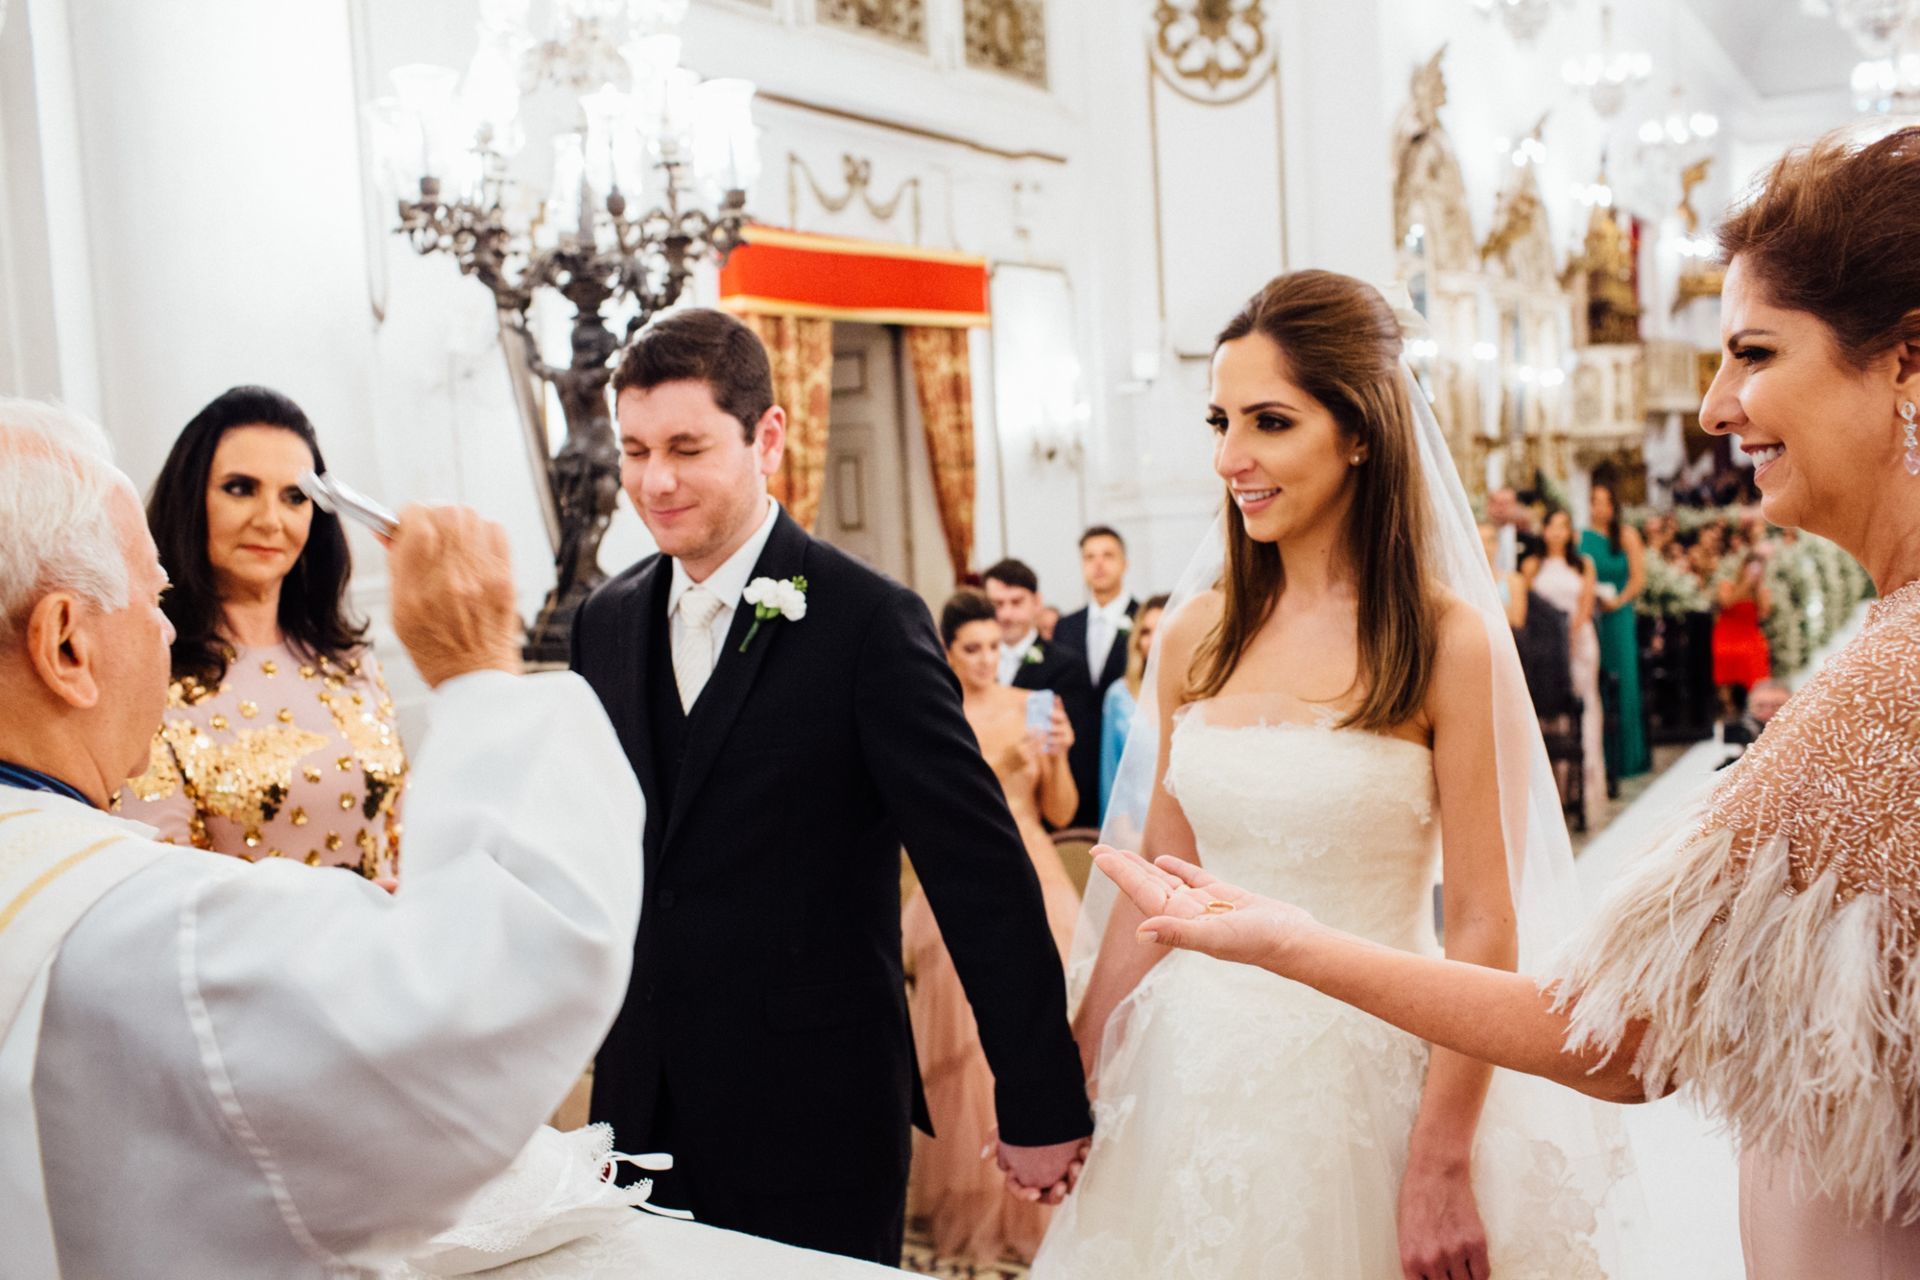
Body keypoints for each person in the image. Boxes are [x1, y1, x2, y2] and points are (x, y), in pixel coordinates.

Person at [1091, 125, 1920, 1278]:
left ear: (1906, 362)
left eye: (1755, 352)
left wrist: (1294, 942)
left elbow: (1625, 1034)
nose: (1717, 405)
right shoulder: (1891, 645)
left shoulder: (1892, 685)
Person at [1034, 271, 1618, 1279]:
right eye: (1222, 420)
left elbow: (1483, 917)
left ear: (1359, 433)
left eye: (1270, 420)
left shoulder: (1445, 640)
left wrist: (1438, 1156)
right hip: (1192, 1073)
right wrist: (1070, 1063)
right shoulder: (1195, 634)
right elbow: (1157, 874)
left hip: (1373, 1066)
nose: (1231, 457)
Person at [0, 397, 642, 1277]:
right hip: (300, 1016)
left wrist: (393, 910)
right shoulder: (140, 925)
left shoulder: (342, 661)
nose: (164, 621)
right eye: (153, 598)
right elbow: (499, 982)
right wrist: (481, 668)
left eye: (294, 494)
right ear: (66, 645)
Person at [569, 308, 1092, 1264]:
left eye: (688, 446)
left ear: (767, 436)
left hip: (816, 1106)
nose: (656, 480)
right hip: (640, 1102)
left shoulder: (868, 625)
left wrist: (1040, 1098)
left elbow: (977, 871)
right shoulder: (605, 623)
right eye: (637, 449)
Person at [117, 387, 405, 877]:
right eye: (240, 488)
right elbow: (164, 891)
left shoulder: (349, 658)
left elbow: (396, 832)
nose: (271, 520)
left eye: (294, 497)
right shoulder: (148, 673)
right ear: (191, 499)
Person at [903, 589, 1082, 1267]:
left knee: (1039, 1024)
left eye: (992, 648)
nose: (984, 660)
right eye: (970, 649)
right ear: (948, 652)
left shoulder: (1035, 706)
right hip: (954, 884)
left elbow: (1060, 809)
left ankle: (1047, 1191)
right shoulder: (935, 711)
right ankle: (975, 1200)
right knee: (963, 1050)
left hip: (1035, 872)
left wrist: (1057, 757)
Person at [984, 558, 1101, 830]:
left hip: (1044, 812)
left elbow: (1076, 749)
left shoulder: (1067, 666)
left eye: (1016, 602)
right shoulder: (971, 668)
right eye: (997, 604)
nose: (1006, 615)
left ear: (1037, 602)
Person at [1527, 509, 1605, 829]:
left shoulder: (1583, 564)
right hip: (1546, 649)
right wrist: (1553, 643)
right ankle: (1555, 787)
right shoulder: (1533, 565)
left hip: (1580, 642)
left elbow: (1586, 604)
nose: (1557, 533)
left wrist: (1569, 638)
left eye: (1564, 527)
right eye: (1552, 526)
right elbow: (1528, 605)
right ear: (1544, 531)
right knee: (1551, 708)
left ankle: (1582, 785)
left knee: (1583, 707)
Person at [1581, 481, 1649, 781]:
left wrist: (1618, 601)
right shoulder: (1580, 539)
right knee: (1595, 680)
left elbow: (1638, 578)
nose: (1600, 508)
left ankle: (1627, 755)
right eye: (1595, 501)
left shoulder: (1626, 536)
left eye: (1606, 501)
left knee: (1624, 680)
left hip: (1618, 616)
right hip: (1591, 616)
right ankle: (1602, 757)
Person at [1097, 593, 1167, 820]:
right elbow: (1110, 771)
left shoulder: (1198, 694)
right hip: (1133, 824)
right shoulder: (1119, 694)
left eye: (1162, 628)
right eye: (1146, 632)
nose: (1153, 640)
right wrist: (1119, 824)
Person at [1054, 526, 1138, 703]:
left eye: (1108, 555)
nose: (1098, 564)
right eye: (1089, 557)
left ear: (1124, 563)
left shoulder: (1142, 619)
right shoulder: (1066, 626)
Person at [1712, 546, 1773, 693]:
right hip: (1726, 633)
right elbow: (1726, 603)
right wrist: (1746, 583)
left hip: (1749, 634)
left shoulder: (1762, 591)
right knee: (1725, 655)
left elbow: (1764, 614)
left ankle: (1754, 698)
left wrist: (1757, 587)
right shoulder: (1727, 585)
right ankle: (1727, 702)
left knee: (1756, 655)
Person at [1479, 520, 1529, 630]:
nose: (1485, 547)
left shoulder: (1514, 580)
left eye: (1489, 541)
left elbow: (1518, 622)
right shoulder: (1460, 582)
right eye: (1480, 540)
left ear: (1497, 544)